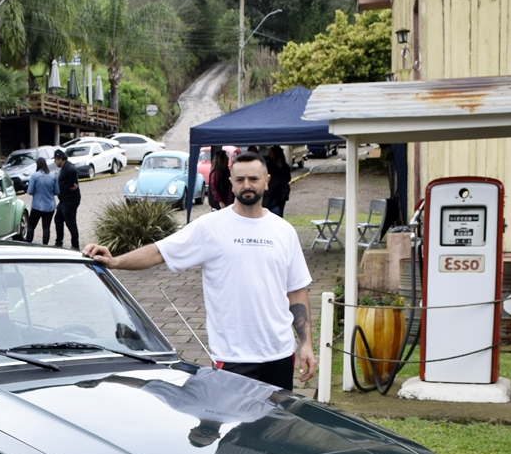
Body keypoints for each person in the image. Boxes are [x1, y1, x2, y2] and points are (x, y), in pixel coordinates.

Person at [84, 151, 316, 390]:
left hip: (280, 355)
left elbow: (296, 291)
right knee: (230, 416)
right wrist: (115, 262)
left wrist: (306, 344)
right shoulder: (210, 227)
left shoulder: (284, 231)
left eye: (253, 179)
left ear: (266, 181)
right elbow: (159, 252)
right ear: (231, 183)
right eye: (240, 179)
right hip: (233, 357)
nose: (247, 185)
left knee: (278, 416)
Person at [52, 149, 80, 250]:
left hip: (70, 200)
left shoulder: (68, 167)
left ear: (60, 159)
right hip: (63, 200)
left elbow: (73, 171)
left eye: (56, 159)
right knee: (58, 219)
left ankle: (75, 245)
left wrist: (72, 184)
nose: (55, 162)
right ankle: (59, 242)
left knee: (70, 222)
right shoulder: (65, 167)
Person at [25, 157, 55, 245]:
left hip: (37, 205)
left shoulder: (34, 176)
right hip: (49, 206)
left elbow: (30, 191)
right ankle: (45, 245)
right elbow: (57, 191)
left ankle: (28, 244)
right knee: (46, 227)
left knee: (31, 226)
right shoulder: (53, 176)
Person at [263, 146, 291, 216]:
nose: (269, 155)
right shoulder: (267, 165)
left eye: (271, 153)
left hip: (277, 198)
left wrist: (280, 168)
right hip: (269, 198)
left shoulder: (283, 166)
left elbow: (287, 179)